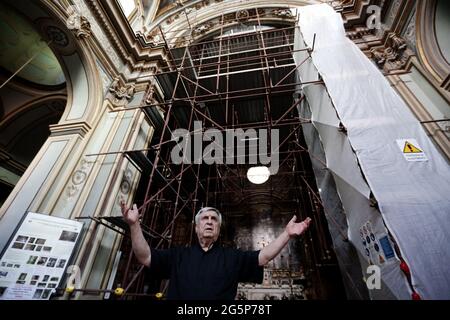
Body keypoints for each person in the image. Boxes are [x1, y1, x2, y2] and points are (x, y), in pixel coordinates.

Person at [120, 202, 312, 300]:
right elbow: (145, 256)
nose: (210, 221)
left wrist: (286, 234)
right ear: (196, 227)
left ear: (219, 231)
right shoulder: (178, 255)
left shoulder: (232, 257)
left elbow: (263, 256)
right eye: (205, 219)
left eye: (214, 219)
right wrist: (134, 224)